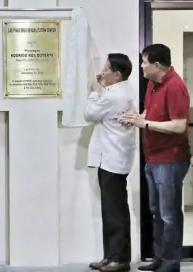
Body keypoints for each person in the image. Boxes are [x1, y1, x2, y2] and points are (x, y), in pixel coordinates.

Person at [120, 44, 190, 272]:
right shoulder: (152, 84)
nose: (141, 66)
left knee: (169, 213)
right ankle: (160, 258)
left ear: (157, 65)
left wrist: (146, 123)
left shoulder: (176, 86)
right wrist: (138, 118)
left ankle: (171, 263)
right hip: (153, 157)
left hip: (170, 159)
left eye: (144, 62)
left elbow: (179, 126)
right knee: (157, 211)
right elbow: (150, 115)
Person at [85, 54, 136, 272]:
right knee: (114, 209)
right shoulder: (125, 90)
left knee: (114, 211)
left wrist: (95, 90)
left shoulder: (112, 96)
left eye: (106, 69)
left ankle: (118, 260)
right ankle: (112, 256)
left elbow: (89, 113)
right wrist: (103, 87)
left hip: (111, 159)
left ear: (117, 74)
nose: (102, 72)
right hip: (116, 156)